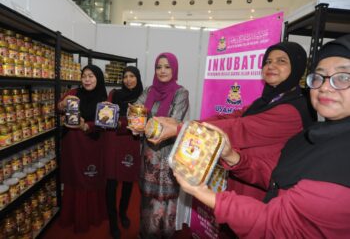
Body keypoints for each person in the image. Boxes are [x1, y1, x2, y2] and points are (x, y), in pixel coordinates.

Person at [174, 34, 350, 238]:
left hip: (254, 204)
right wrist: (234, 157)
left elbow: (275, 225)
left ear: (298, 68)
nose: (326, 86)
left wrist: (204, 194)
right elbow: (276, 172)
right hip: (248, 198)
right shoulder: (276, 106)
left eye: (343, 77)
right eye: (319, 77)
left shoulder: (294, 110)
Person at [148, 41, 314, 201]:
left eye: (281, 61)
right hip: (243, 176)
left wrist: (179, 129)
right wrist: (184, 126)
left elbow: (239, 128)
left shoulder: (293, 110)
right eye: (268, 61)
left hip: (264, 190)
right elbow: (229, 117)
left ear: (297, 68)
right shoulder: (266, 100)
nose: (271, 66)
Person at [131, 52, 189, 238]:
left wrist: (144, 125)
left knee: (166, 200)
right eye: (159, 67)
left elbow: (174, 122)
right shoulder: (148, 91)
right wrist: (134, 120)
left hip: (169, 155)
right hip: (149, 154)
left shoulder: (181, 93)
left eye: (167, 67)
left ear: (175, 69)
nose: (162, 70)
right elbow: (135, 110)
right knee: (148, 199)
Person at [57, 64, 107, 233]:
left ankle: (91, 216)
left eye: (91, 76)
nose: (87, 79)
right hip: (72, 144)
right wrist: (62, 104)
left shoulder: (103, 98)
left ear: (98, 78)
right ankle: (72, 216)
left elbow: (104, 124)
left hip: (92, 143)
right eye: (84, 76)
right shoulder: (73, 93)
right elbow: (58, 108)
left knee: (91, 177)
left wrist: (86, 126)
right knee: (74, 178)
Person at [103, 66, 143, 239]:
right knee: (111, 182)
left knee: (127, 180)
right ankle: (112, 221)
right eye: (125, 76)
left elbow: (141, 121)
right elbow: (106, 116)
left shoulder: (143, 96)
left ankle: (123, 213)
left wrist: (121, 122)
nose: (128, 80)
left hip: (130, 142)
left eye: (132, 76)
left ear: (137, 78)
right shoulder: (114, 94)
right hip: (113, 140)